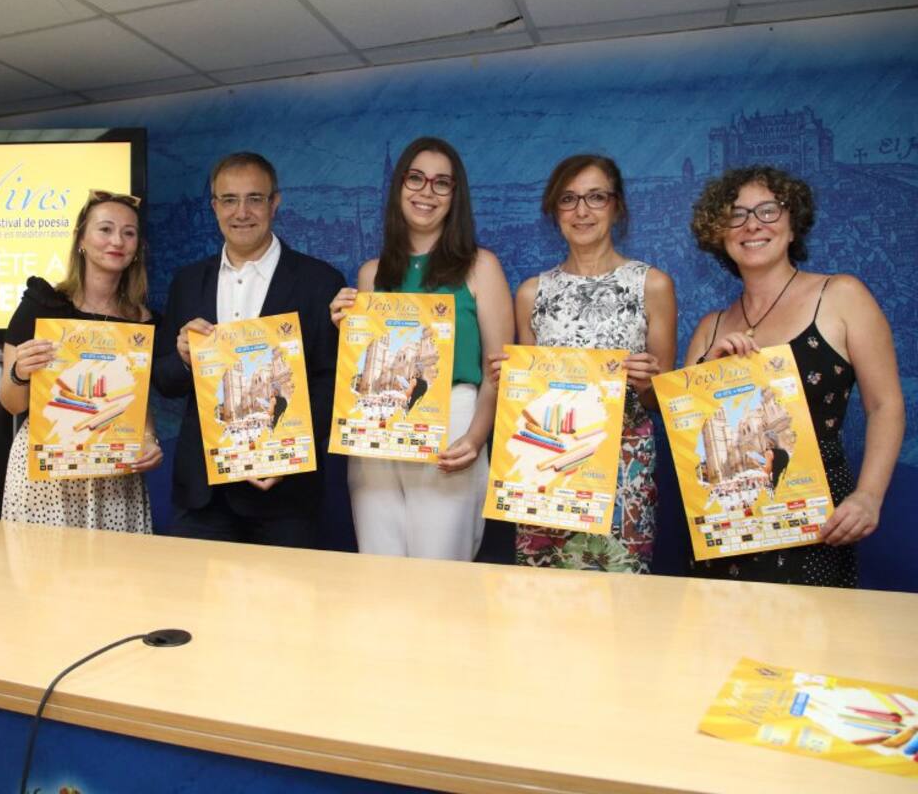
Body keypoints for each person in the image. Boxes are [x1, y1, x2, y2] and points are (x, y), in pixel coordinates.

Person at [685, 165, 903, 587]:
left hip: (817, 520)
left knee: (811, 629)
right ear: (719, 232)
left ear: (792, 223)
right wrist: (706, 372)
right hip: (726, 523)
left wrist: (868, 496)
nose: (752, 224)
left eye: (768, 210)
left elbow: (885, 405)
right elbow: (690, 436)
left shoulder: (841, 296)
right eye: (736, 214)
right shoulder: (710, 327)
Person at [330, 137, 514, 560]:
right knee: (379, 565)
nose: (426, 191)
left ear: (455, 196)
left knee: (439, 569)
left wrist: (476, 437)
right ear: (398, 187)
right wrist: (345, 328)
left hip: (452, 425)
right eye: (415, 178)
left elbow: (500, 370)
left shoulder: (481, 267)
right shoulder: (371, 274)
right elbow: (363, 368)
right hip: (376, 426)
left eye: (441, 183)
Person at [152, 152, 345, 548]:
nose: (241, 212)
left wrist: (286, 452)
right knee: (192, 590)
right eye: (229, 200)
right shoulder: (187, 282)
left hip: (284, 494)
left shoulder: (320, 281)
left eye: (254, 198)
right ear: (214, 206)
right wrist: (184, 360)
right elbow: (165, 381)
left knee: (282, 591)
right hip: (202, 496)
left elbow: (331, 382)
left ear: (275, 203)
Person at [495, 154, 677, 573]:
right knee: (540, 597)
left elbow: (662, 401)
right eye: (568, 199)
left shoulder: (652, 285)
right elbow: (528, 403)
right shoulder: (532, 293)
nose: (582, 211)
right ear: (554, 211)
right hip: (546, 473)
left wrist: (648, 384)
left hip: (623, 475)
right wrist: (509, 381)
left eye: (596, 197)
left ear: (617, 206)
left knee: (618, 598)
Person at [0, 191, 162, 531]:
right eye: (105, 229)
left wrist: (148, 438)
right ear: (81, 240)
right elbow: (12, 404)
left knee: (117, 565)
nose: (117, 241)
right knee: (41, 564)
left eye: (129, 233)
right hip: (48, 476)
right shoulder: (41, 305)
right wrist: (20, 373)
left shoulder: (142, 321)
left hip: (113, 473)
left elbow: (137, 402)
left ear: (137, 248)